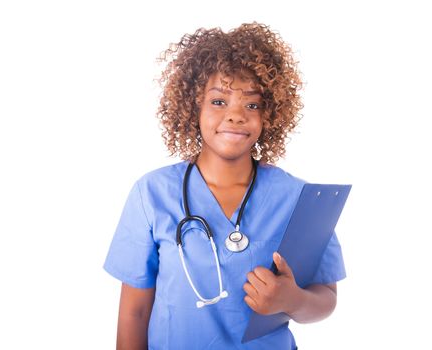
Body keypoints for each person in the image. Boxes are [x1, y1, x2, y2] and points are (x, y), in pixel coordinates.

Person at [103, 22, 346, 350]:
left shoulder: (298, 198)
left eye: (252, 104)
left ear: (270, 113)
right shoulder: (152, 194)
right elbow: (135, 311)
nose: (235, 116)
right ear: (194, 107)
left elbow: (326, 298)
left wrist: (293, 299)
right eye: (219, 102)